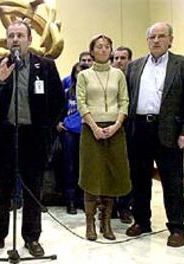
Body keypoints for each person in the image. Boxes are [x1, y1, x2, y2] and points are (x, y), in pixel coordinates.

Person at [0, 20, 63, 257]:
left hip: (33, 139)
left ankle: (32, 238)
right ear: (7, 40)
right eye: (11, 35)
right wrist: (0, 79)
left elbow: (59, 103)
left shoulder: (45, 66)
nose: (15, 39)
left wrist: (48, 131)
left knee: (33, 191)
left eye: (20, 35)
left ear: (29, 40)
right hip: (5, 138)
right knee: (0, 191)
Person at [125, 22, 184, 247]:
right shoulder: (134, 66)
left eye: (161, 36)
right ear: (147, 41)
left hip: (170, 131)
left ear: (170, 40)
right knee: (139, 179)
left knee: (172, 181)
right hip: (139, 129)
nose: (156, 41)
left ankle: (176, 227)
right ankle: (141, 221)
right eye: (152, 37)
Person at [76, 34, 131, 241]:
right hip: (91, 130)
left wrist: (117, 124)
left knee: (111, 175)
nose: (103, 50)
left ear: (111, 50)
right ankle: (89, 223)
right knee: (91, 175)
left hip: (115, 129)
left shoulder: (118, 74)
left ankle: (106, 222)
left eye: (106, 46)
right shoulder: (84, 75)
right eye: (98, 47)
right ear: (92, 51)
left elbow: (124, 100)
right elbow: (81, 103)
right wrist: (94, 126)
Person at [56, 62, 89, 215]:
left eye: (82, 72)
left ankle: (83, 200)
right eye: (76, 72)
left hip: (87, 132)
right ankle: (70, 201)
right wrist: (58, 123)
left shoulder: (92, 93)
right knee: (69, 167)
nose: (79, 74)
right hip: (69, 133)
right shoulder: (68, 92)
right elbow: (58, 111)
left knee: (85, 168)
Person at [111, 46, 134, 224]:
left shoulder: (135, 80)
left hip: (131, 129)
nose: (119, 61)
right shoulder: (109, 79)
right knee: (111, 169)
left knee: (129, 171)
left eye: (123, 58)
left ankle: (125, 207)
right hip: (110, 128)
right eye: (116, 58)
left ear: (129, 60)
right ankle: (109, 208)